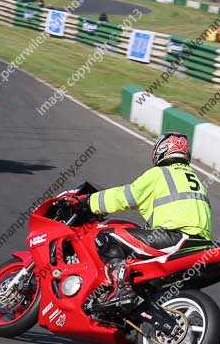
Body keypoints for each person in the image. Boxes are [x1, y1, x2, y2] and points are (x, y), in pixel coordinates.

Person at [61, 132, 212, 310]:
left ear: (161, 151)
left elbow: (125, 196)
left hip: (175, 237)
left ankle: (121, 289)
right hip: (200, 243)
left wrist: (87, 202)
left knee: (105, 236)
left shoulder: (160, 173)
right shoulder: (196, 179)